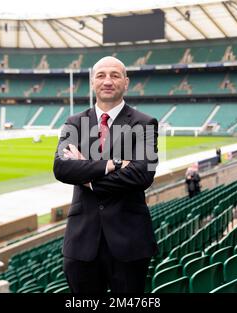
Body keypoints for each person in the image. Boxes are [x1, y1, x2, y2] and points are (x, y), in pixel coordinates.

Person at [53, 56, 158, 294]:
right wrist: (112, 165)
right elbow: (62, 168)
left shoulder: (144, 123)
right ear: (92, 82)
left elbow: (143, 174)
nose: (107, 81)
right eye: (101, 75)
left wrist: (88, 177)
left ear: (126, 82)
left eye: (115, 75)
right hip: (81, 242)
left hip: (129, 241)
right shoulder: (74, 123)